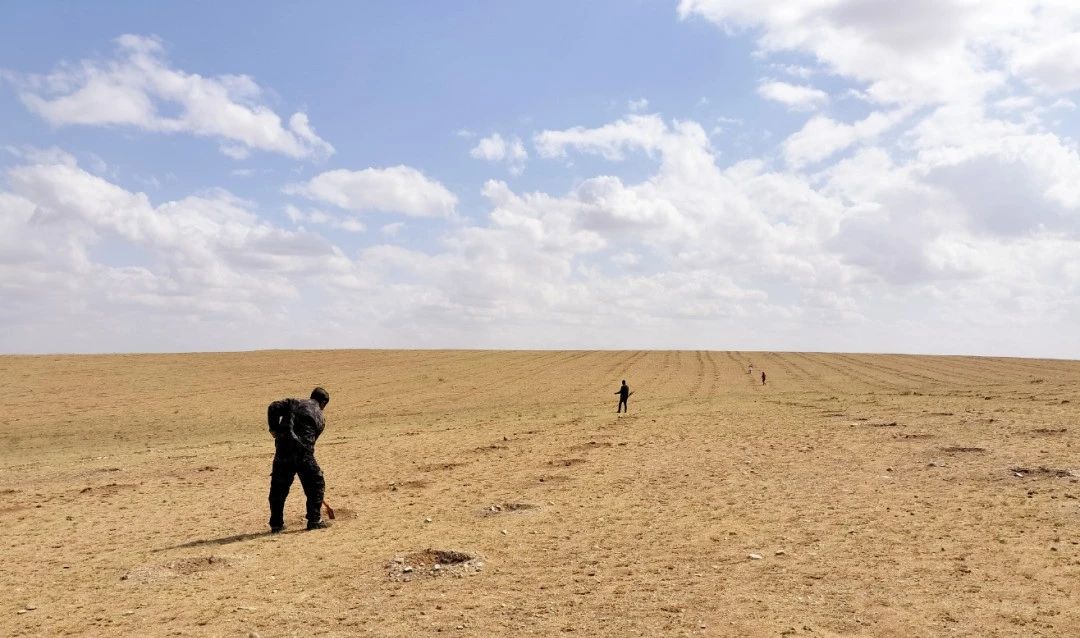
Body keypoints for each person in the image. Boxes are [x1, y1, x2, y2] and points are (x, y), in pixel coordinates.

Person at [267, 387, 330, 533]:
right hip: (303, 454)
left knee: (278, 489)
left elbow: (273, 407)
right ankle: (314, 520)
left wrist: (274, 429)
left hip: (282, 452)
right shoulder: (320, 417)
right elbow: (312, 440)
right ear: (324, 402)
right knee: (316, 484)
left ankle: (276, 524)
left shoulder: (293, 403)